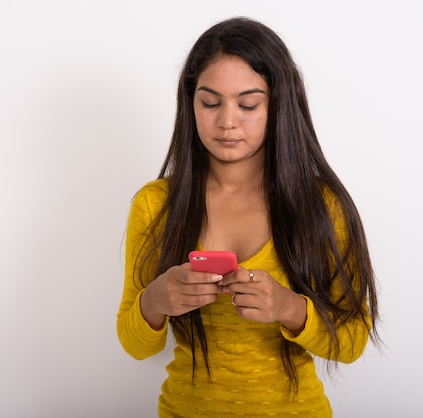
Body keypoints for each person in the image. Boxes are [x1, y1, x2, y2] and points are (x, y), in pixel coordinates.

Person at [116, 16, 380, 417]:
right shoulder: (155, 204)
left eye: (248, 104)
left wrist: (289, 308)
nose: (227, 121)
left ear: (278, 104)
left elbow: (352, 342)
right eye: (210, 102)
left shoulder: (322, 206)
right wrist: (156, 300)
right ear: (190, 103)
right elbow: (134, 345)